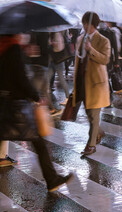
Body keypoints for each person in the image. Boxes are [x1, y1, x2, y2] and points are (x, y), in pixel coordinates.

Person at [0, 34, 72, 191]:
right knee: (38, 141)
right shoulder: (13, 49)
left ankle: (52, 179)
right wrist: (36, 96)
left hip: (4, 103)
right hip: (17, 105)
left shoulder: (4, 48)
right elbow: (21, 79)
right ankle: (52, 179)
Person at [72, 12, 111, 155]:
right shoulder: (80, 38)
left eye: (87, 23)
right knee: (88, 113)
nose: (85, 26)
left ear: (94, 24)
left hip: (96, 83)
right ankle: (99, 132)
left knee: (94, 115)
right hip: (82, 81)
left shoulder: (103, 40)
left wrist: (91, 50)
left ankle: (91, 145)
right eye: (84, 23)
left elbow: (105, 59)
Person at [48, 31, 70, 106]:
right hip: (52, 61)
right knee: (47, 79)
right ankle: (46, 98)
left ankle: (68, 98)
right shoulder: (51, 34)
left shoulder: (57, 34)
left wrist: (53, 44)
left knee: (61, 79)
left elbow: (60, 47)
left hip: (58, 61)